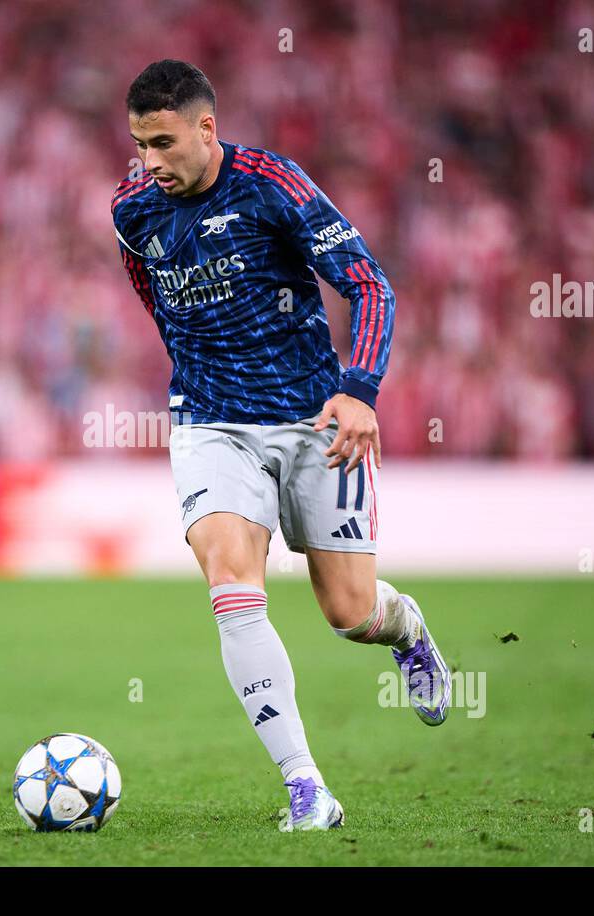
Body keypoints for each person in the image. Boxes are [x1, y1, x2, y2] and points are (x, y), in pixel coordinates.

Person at [112, 60, 450, 831]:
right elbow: (155, 295)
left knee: (350, 612)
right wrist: (203, 372)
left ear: (207, 128)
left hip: (311, 423)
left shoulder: (275, 185)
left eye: (163, 142)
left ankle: (407, 629)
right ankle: (307, 787)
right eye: (138, 145)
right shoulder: (132, 209)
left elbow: (369, 284)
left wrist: (358, 392)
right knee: (231, 582)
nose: (150, 162)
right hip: (210, 424)